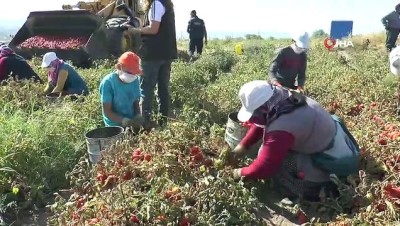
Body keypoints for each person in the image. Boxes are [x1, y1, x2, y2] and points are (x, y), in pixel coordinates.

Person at [228, 80, 360, 201]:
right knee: (269, 150)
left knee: (278, 166)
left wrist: (238, 173)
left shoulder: (282, 127)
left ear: (263, 108)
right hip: (333, 138)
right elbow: (261, 124)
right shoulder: (283, 98)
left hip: (333, 159)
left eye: (254, 114)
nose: (254, 119)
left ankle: (320, 188)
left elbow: (265, 167)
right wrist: (241, 148)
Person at [122, 0, 177, 130]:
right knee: (163, 89)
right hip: (166, 53)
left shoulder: (156, 4)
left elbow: (153, 29)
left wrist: (135, 30)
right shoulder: (167, 5)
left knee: (146, 89)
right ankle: (163, 122)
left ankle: (145, 124)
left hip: (152, 54)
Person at [99, 51, 144, 128]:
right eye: (129, 73)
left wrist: (138, 115)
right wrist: (123, 120)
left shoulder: (135, 80)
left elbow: (135, 101)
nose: (132, 76)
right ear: (119, 67)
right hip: (114, 126)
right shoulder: (108, 83)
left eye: (134, 73)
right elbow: (107, 112)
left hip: (131, 121)